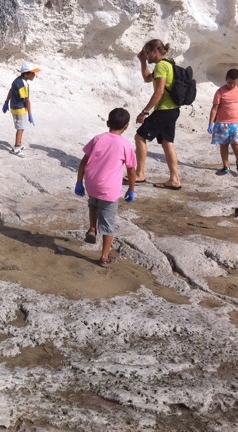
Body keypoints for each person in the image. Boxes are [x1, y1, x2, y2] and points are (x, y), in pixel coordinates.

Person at [75, 108, 137, 267]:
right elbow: (131, 169)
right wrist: (131, 189)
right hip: (109, 189)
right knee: (108, 223)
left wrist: (79, 182)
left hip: (92, 184)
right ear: (127, 126)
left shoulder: (97, 139)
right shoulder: (125, 145)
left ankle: (92, 227)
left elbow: (83, 162)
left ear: (108, 122)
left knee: (93, 203)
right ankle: (104, 257)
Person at [134, 39, 182, 190]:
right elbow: (148, 78)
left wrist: (145, 111)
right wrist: (143, 62)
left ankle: (140, 174)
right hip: (173, 109)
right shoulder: (168, 63)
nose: (147, 55)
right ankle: (174, 179)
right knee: (167, 143)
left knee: (140, 136)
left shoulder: (161, 65)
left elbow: (159, 91)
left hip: (164, 110)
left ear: (155, 50)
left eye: (147, 52)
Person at [208, 69, 238, 175]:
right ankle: (226, 166)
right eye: (229, 82)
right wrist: (211, 123)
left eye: (234, 83)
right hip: (222, 123)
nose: (232, 85)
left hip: (236, 123)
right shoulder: (220, 91)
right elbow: (214, 108)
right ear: (226, 79)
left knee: (236, 143)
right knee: (223, 144)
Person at [2, 62, 40, 157]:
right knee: (21, 128)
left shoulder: (16, 80)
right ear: (26, 73)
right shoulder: (24, 84)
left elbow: (11, 91)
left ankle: (19, 143)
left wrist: (6, 102)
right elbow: (27, 101)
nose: (34, 75)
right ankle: (16, 147)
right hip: (20, 109)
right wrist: (30, 114)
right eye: (32, 73)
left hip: (13, 107)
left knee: (20, 126)